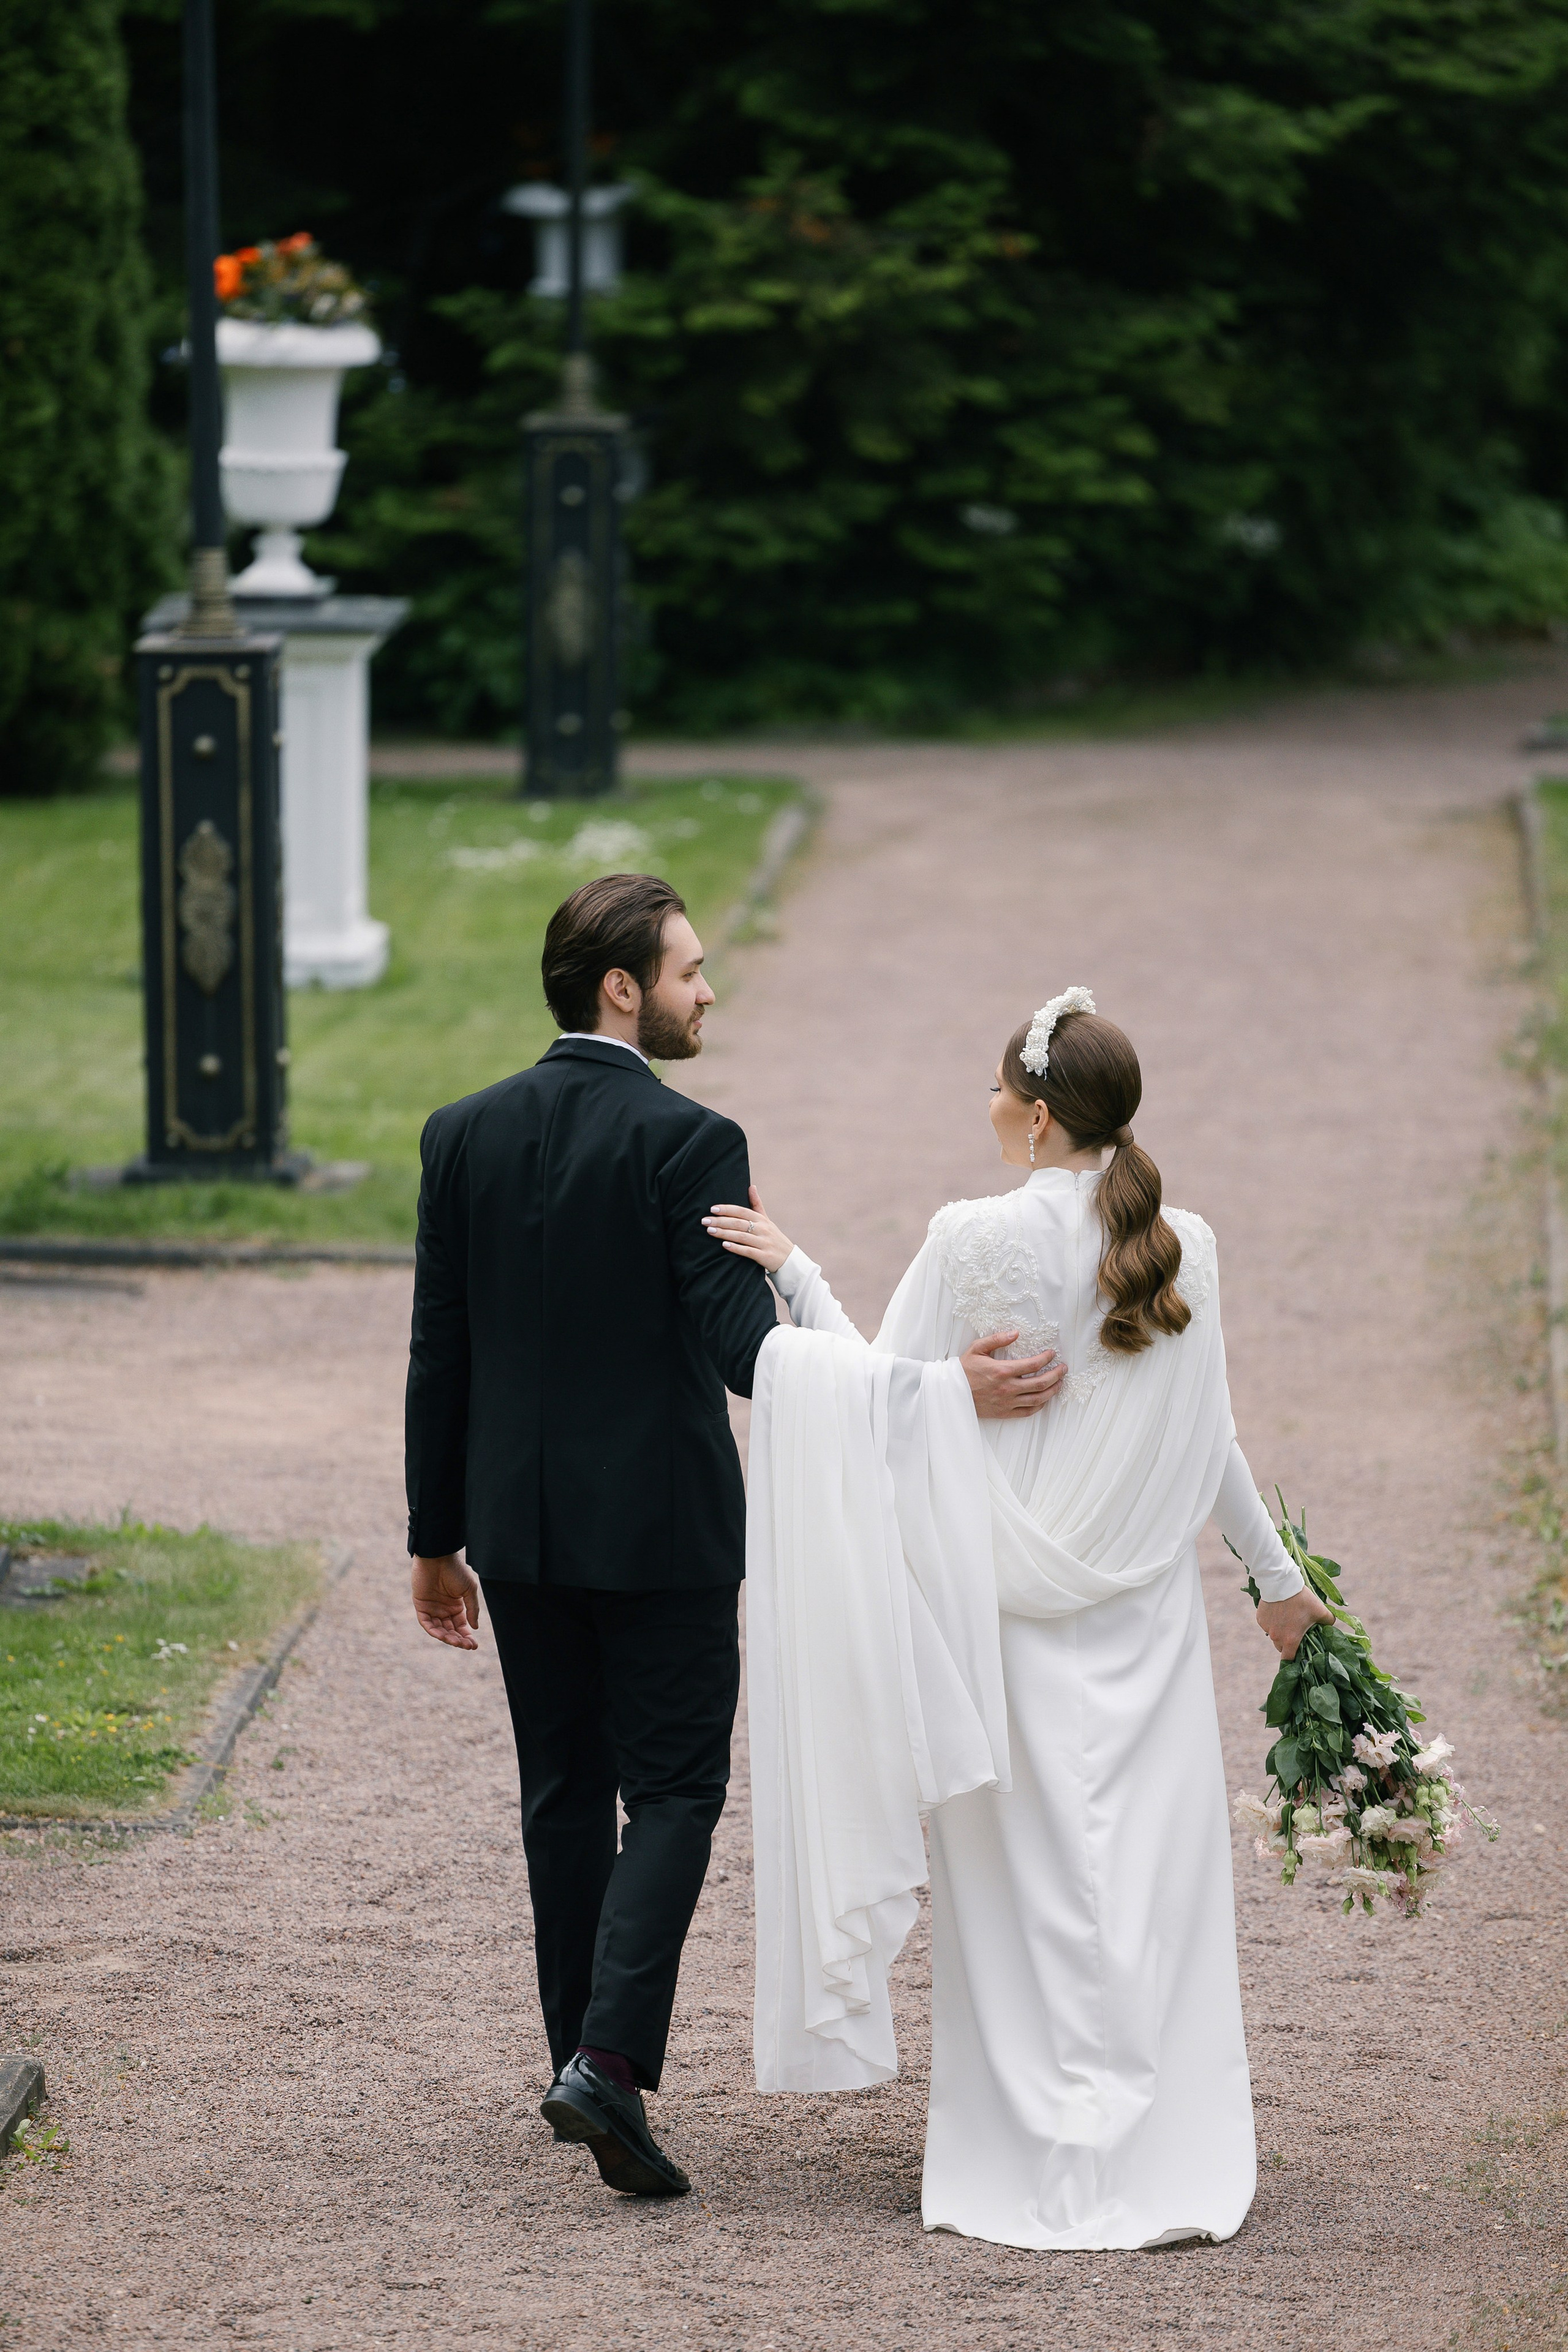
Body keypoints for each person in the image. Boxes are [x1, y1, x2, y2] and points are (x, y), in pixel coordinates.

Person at [403, 872, 1067, 2202]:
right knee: (676, 1793)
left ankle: (580, 2069)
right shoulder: (688, 1141)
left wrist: (436, 1537)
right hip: (662, 1538)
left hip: (520, 1534)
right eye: (690, 971)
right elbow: (748, 1357)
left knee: (559, 1801)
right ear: (620, 987)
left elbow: (443, 1350)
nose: (707, 991)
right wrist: (939, 1389)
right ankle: (602, 2067)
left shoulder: (458, 1132)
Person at [703, 987, 1331, 2250]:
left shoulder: (969, 1239)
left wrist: (797, 1271)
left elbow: (890, 1393)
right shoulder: (1183, 1245)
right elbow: (1203, 1433)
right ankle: (1154, 2149)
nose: (985, 1109)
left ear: (1038, 1118)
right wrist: (1272, 1584)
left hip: (1002, 1618)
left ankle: (1034, 2143)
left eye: (996, 1092)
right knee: (1142, 1881)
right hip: (1139, 1625)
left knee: (1026, 1891)